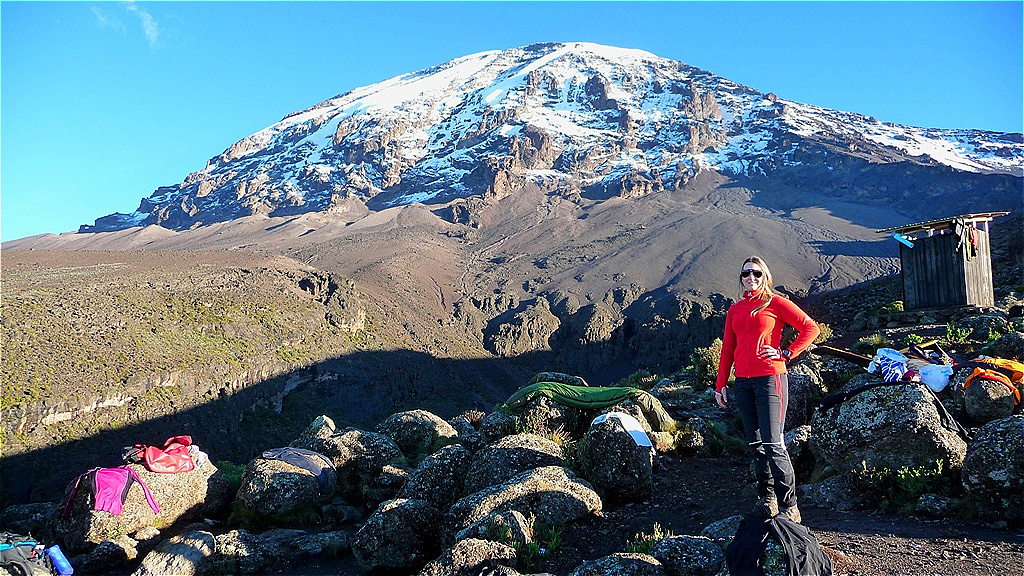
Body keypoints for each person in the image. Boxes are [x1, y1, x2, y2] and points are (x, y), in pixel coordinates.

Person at [714, 256, 820, 523]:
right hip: (743, 383)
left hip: (770, 379)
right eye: (746, 273)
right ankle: (767, 500)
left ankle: (790, 506)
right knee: (756, 445)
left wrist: (787, 352)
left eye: (756, 273)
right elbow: (728, 349)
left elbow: (811, 328)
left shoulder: (775, 303)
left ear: (765, 277)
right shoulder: (735, 310)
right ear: (741, 279)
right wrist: (720, 384)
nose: (751, 278)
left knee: (773, 443)